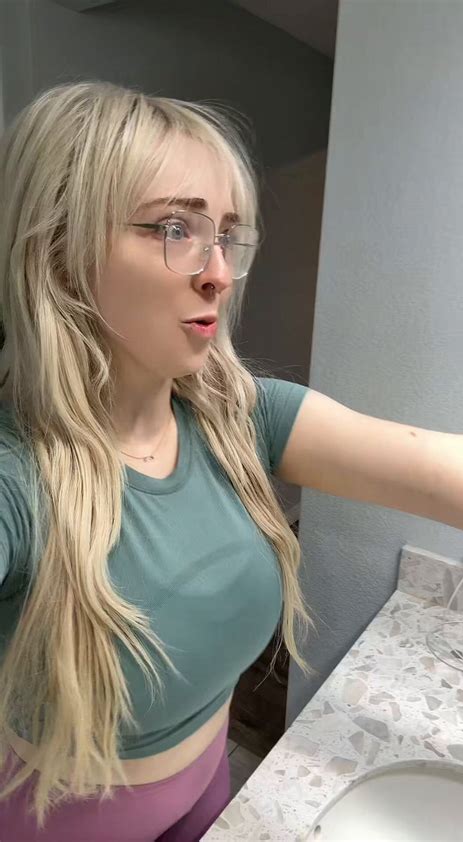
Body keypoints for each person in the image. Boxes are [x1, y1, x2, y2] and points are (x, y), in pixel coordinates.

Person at [0, 80, 316, 840]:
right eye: (175, 228)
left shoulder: (240, 417)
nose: (220, 273)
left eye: (226, 235)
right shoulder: (18, 476)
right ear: (60, 253)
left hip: (209, 783)